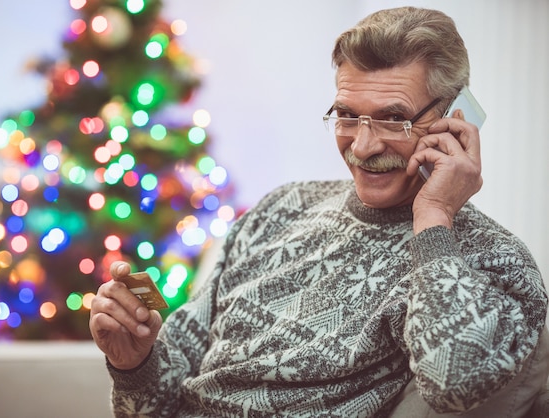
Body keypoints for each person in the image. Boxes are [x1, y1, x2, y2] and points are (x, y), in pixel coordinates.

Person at [89, 6, 549, 417]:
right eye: (347, 115)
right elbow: (153, 403)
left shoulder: (493, 258)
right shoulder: (280, 207)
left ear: (456, 118)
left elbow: (455, 384)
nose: (363, 147)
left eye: (393, 119)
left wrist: (432, 216)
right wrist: (135, 363)